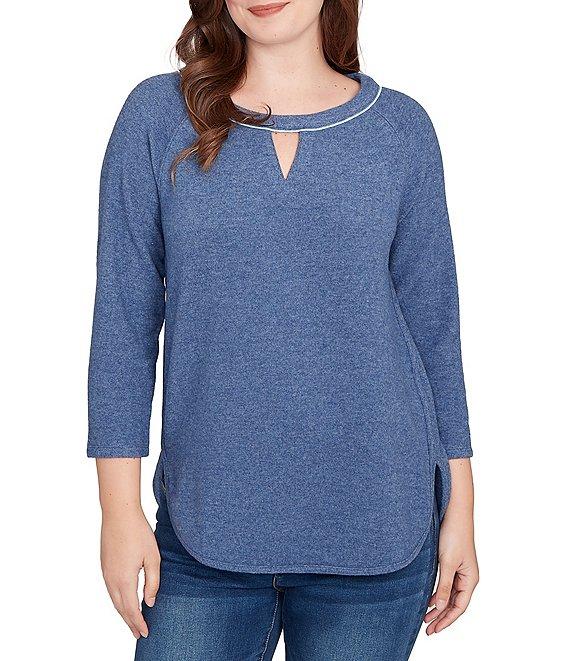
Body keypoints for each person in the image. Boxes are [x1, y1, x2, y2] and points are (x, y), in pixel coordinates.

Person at [88, 1, 479, 658]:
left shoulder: (400, 130)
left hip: (378, 523)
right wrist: (117, 511)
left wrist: (461, 506)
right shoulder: (158, 117)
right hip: (204, 527)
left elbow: (434, 330)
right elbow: (122, 322)